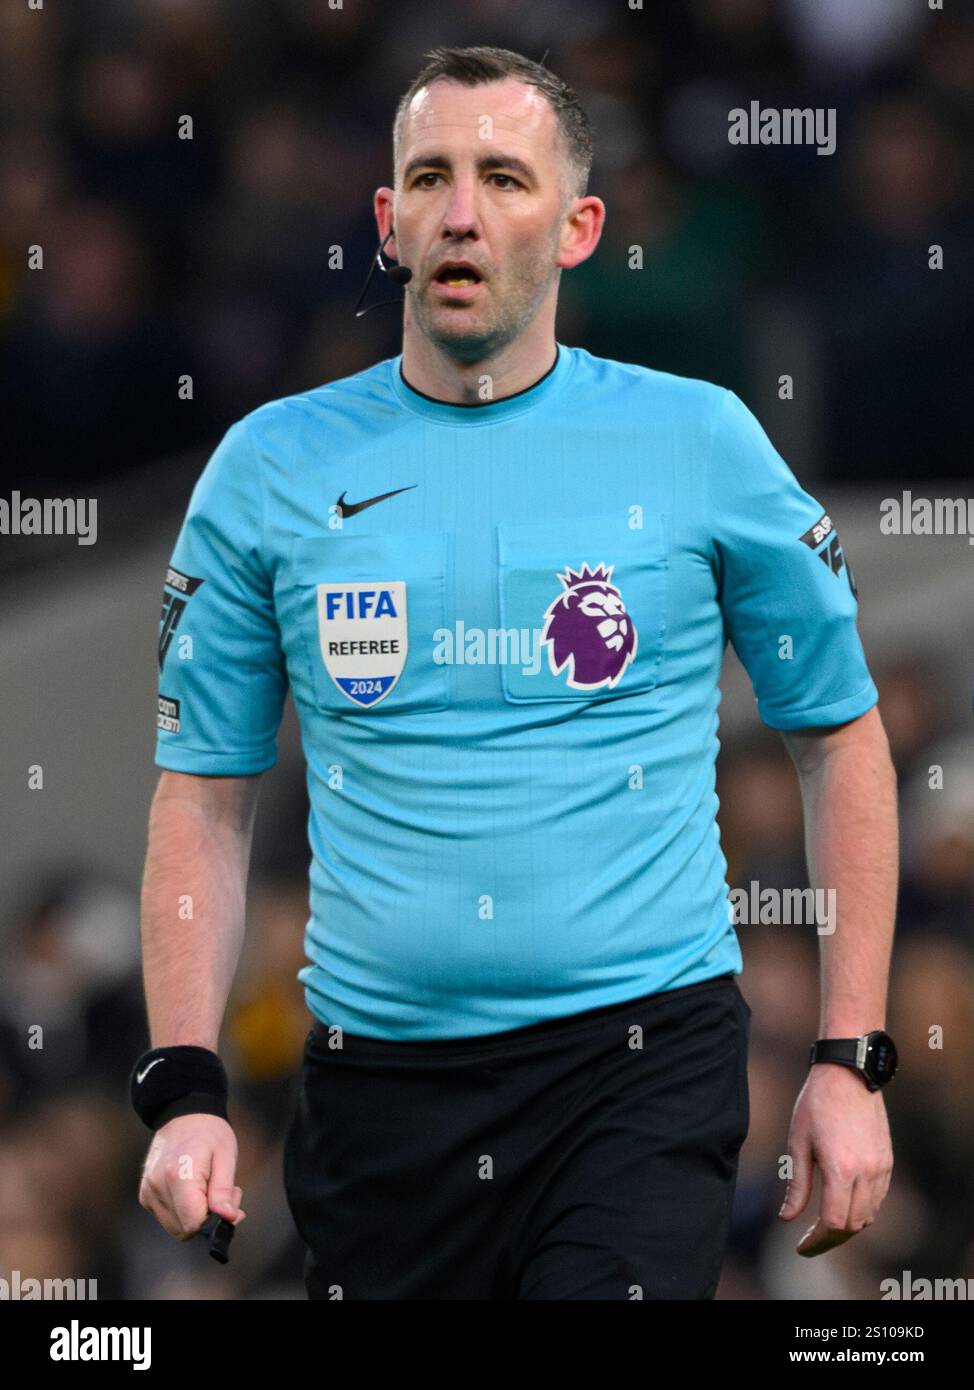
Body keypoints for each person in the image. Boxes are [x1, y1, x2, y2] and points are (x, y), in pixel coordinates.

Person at [132, 46, 898, 1300]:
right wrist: (182, 1081)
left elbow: (838, 736)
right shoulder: (267, 470)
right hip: (378, 1092)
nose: (459, 213)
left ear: (580, 225)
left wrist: (849, 1056)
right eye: (427, 177)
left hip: (637, 1067)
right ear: (386, 222)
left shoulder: (699, 440)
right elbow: (204, 794)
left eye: (502, 176)